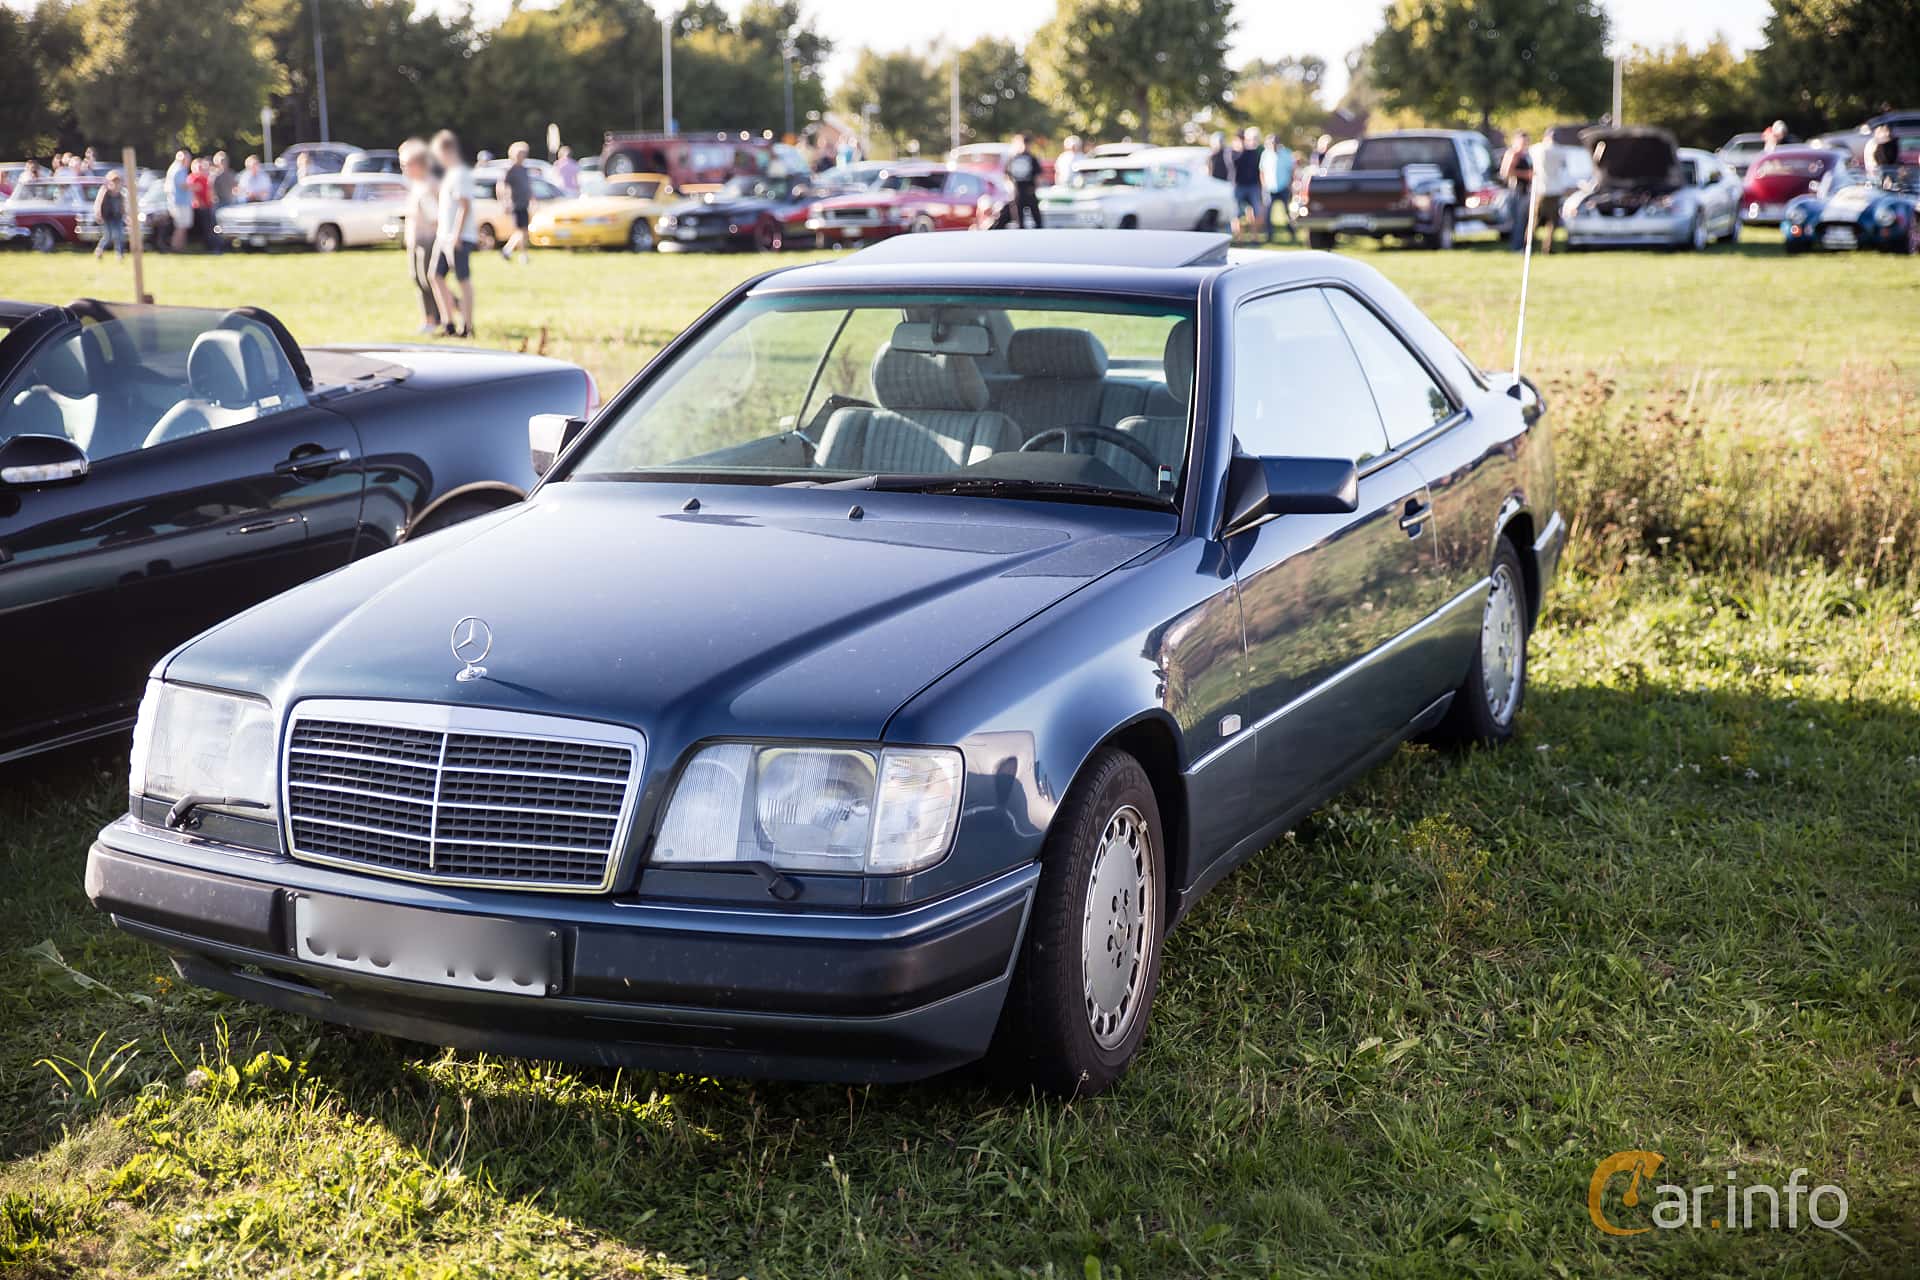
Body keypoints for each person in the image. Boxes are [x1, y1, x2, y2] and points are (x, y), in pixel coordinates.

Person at [429, 130, 477, 338]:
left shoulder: (461, 174)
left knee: (462, 280)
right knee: (435, 275)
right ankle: (448, 323)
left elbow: (464, 206)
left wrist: (456, 235)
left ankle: (467, 326)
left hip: (458, 237)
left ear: (447, 150)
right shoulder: (450, 174)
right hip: (443, 236)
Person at [399, 138, 444, 335]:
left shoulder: (429, 185)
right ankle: (431, 317)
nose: (404, 169)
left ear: (418, 164)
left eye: (406, 164)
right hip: (416, 240)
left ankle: (438, 317)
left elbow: (434, 217)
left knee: (428, 280)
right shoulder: (417, 185)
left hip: (428, 240)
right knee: (418, 279)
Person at [497, 141, 533, 263]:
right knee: (521, 231)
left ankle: (508, 250)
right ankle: (522, 255)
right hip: (515, 204)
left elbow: (528, 186)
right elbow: (501, 186)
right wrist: (504, 202)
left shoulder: (524, 169)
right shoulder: (510, 169)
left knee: (523, 231)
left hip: (524, 203)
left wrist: (532, 199)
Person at [1499, 131, 1535, 251]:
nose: (1525, 144)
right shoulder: (1513, 154)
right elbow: (1506, 172)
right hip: (1517, 191)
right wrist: (1526, 174)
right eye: (1523, 142)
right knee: (1518, 221)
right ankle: (1517, 246)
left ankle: (1522, 245)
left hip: (1525, 190)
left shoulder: (1525, 155)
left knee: (1524, 220)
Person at [1002, 133, 1043, 229]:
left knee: (1036, 219)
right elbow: (1007, 174)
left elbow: (1037, 175)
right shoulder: (1013, 158)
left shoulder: (1031, 158)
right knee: (1020, 220)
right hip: (1019, 191)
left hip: (1028, 190)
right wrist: (1011, 188)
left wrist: (1035, 188)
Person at [1230, 127, 1264, 241]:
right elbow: (1233, 163)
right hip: (1239, 186)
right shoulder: (1234, 152)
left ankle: (1254, 237)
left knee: (1255, 212)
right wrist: (1240, 149)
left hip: (1253, 186)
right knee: (1237, 213)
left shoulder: (1255, 152)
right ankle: (1238, 237)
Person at [1261, 133, 1296, 243]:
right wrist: (1264, 185)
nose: (1273, 145)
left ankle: (1292, 233)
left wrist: (1290, 185)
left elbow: (1291, 170)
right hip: (1270, 188)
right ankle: (1269, 235)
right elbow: (1262, 171)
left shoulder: (1286, 153)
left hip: (1283, 187)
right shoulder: (1265, 154)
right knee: (1268, 214)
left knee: (1287, 212)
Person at [93, 170, 128, 261]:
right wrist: (98, 214)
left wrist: (126, 216)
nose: (116, 184)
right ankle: (99, 250)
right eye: (114, 182)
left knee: (120, 235)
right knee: (108, 236)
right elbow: (98, 203)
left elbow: (123, 206)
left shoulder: (120, 194)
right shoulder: (105, 192)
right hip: (107, 217)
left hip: (118, 217)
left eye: (118, 182)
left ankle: (119, 255)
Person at [188, 156, 219, 251]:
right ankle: (209, 245)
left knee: (211, 226)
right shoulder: (193, 178)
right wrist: (200, 203)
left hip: (207, 206)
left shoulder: (204, 178)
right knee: (206, 227)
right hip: (200, 207)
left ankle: (213, 245)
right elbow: (193, 193)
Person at [166, 149, 192, 251]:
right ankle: (176, 246)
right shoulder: (179, 170)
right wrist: (194, 186)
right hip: (180, 202)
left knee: (182, 226)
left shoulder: (176, 169)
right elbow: (182, 185)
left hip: (179, 202)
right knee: (181, 226)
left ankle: (181, 246)